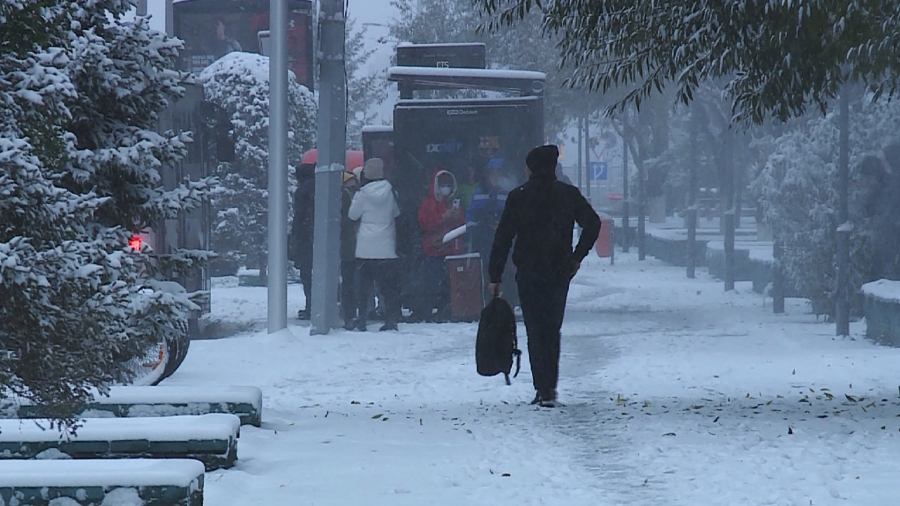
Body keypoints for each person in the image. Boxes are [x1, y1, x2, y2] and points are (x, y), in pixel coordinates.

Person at [488, 145, 601, 407]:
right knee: (552, 329)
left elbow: (503, 238)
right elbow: (593, 223)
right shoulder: (568, 195)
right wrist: (576, 257)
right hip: (559, 272)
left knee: (535, 329)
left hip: (528, 273)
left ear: (532, 168)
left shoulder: (519, 196)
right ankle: (550, 386)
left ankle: (542, 387)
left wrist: (495, 275)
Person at [347, 158, 402, 331]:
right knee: (387, 287)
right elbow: (396, 213)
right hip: (386, 246)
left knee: (364, 287)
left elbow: (352, 215)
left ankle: (362, 319)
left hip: (366, 246)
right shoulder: (390, 191)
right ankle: (391, 319)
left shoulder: (362, 194)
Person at [417, 169, 466, 322]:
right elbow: (424, 223)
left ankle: (447, 310)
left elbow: (463, 225)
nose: (446, 187)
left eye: (448, 184)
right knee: (432, 283)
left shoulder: (455, 204)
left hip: (451, 252)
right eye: (442, 184)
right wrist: (443, 218)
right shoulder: (427, 203)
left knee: (448, 285)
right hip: (433, 251)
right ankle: (430, 310)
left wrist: (457, 217)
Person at [466, 158, 508, 301]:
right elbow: (470, 216)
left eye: (498, 173)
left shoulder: (507, 192)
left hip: (503, 241)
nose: (495, 176)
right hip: (484, 241)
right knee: (484, 271)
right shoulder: (478, 192)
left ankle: (505, 300)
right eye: (492, 173)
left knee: (504, 272)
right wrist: (482, 220)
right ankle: (486, 300)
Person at [289, 163, 316, 319]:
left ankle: (310, 306)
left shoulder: (302, 193)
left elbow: (299, 216)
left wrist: (295, 235)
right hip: (316, 237)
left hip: (305, 238)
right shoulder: (320, 188)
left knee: (306, 274)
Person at [340, 171, 359, 324]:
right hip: (349, 245)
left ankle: (348, 313)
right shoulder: (346, 197)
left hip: (347, 245)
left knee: (348, 281)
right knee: (349, 281)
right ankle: (349, 313)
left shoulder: (345, 196)